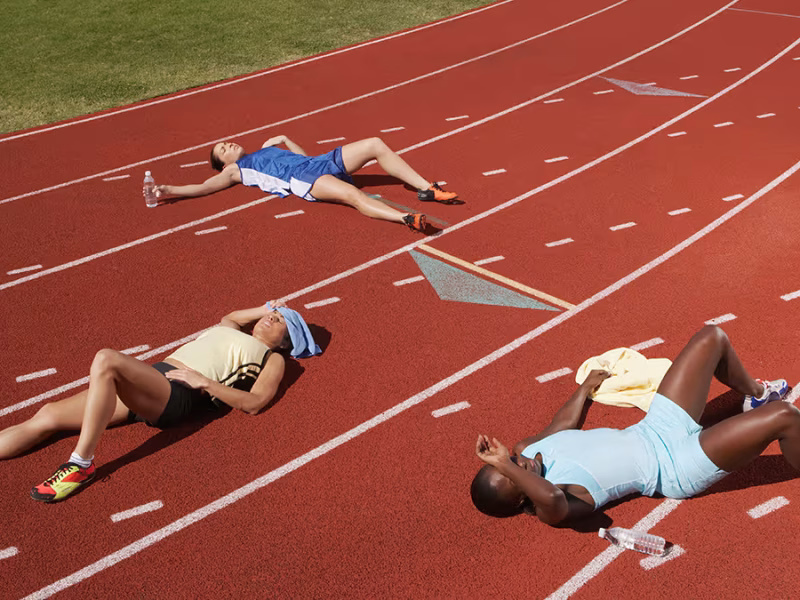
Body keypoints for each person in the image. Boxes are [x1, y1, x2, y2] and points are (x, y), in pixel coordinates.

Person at [0, 300, 321, 502]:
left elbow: (255, 402)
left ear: (285, 342)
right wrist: (268, 307)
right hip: (154, 379)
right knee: (48, 415)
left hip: (178, 394)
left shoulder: (272, 358)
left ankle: (80, 465)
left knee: (106, 360)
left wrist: (206, 383)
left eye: (280, 322)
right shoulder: (231, 328)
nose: (271, 319)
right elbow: (232, 316)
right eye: (273, 314)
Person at [472, 325, 794, 525]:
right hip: (673, 466)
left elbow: (562, 425)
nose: (518, 462)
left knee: (712, 337)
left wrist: (583, 389)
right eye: (513, 474)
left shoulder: (528, 450)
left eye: (511, 460)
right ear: (520, 499)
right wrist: (503, 463)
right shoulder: (553, 507)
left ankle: (758, 394)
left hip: (655, 427)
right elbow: (553, 499)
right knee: (784, 417)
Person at [155, 136, 461, 232]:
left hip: (316, 163)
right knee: (353, 195)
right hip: (304, 180)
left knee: (374, 144)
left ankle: (426, 188)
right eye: (222, 151)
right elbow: (205, 187)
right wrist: (169, 190)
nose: (228, 145)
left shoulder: (264, 150)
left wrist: (286, 140)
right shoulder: (236, 170)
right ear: (224, 163)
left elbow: (304, 156)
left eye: (226, 142)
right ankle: (405, 218)